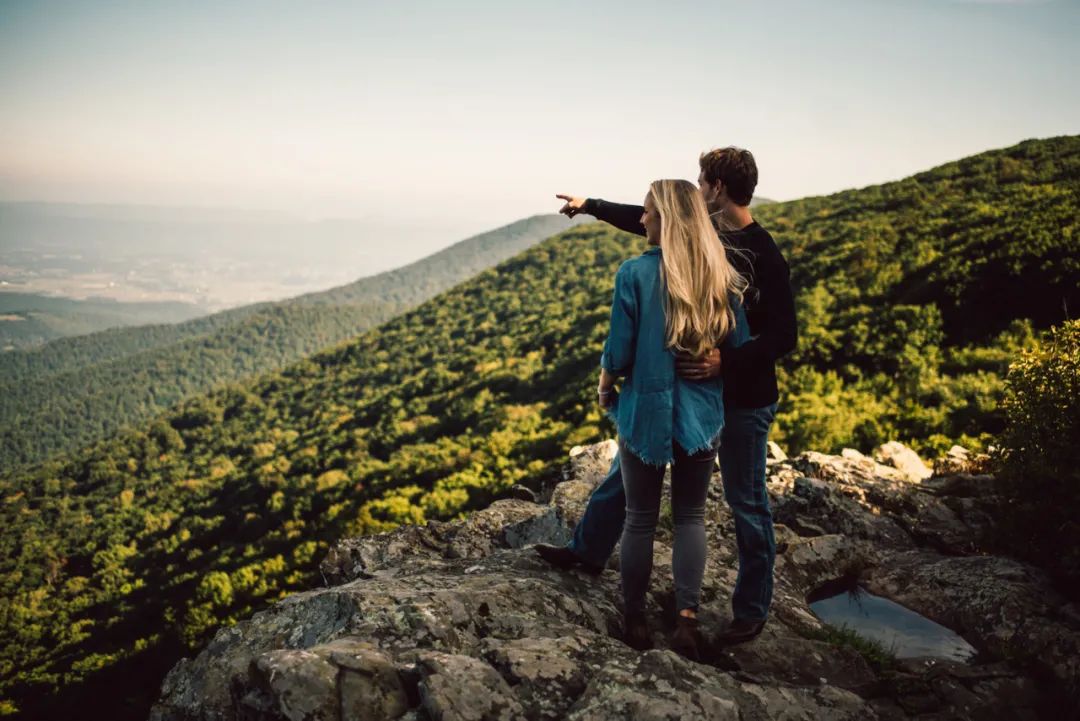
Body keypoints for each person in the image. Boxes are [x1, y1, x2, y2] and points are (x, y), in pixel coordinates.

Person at [537, 147, 798, 646]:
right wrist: (590, 203)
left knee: (746, 500)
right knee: (627, 480)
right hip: (692, 391)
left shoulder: (762, 253)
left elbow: (785, 336)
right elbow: (652, 224)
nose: (698, 193)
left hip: (741, 396)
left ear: (717, 189)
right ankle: (589, 552)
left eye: (703, 183)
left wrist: (726, 361)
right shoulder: (704, 239)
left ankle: (751, 609)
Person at [597, 178, 748, 661]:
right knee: (691, 517)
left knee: (639, 519)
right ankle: (687, 620)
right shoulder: (718, 271)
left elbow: (619, 353)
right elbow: (737, 344)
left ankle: (635, 618)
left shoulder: (634, 274)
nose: (641, 220)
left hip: (646, 412)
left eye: (647, 212)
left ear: (667, 218)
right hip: (701, 414)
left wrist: (605, 382)